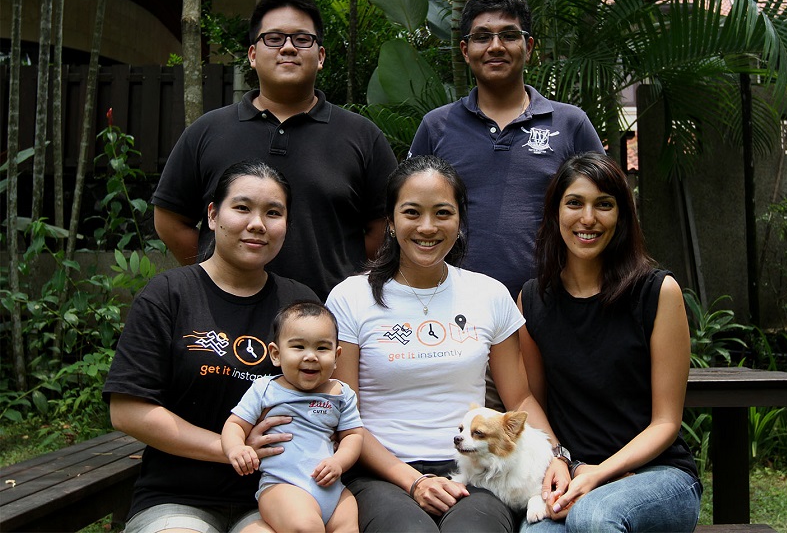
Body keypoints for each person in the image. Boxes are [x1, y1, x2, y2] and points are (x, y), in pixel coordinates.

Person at [325, 155, 569, 533]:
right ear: (390, 221)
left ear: (459, 220)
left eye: (442, 213)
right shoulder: (350, 298)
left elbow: (519, 399)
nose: (427, 227)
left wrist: (556, 455)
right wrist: (414, 481)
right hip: (381, 474)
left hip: (477, 471)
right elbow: (344, 413)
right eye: (411, 213)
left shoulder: (488, 294)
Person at [104, 161, 319, 533]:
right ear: (213, 214)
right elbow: (128, 411)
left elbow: (328, 394)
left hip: (274, 495)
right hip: (177, 497)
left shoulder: (299, 303)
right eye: (242, 207)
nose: (257, 224)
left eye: (273, 212)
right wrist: (232, 447)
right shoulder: (168, 295)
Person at [152, 0, 397, 300]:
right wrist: (218, 269)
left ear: (320, 56)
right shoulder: (208, 131)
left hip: (328, 321)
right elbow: (169, 220)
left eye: (302, 39)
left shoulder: (362, 136)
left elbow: (385, 226)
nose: (288, 48)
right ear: (253, 55)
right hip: (224, 316)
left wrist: (348, 280)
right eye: (274, 38)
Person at [518, 152, 702, 532]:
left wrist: (601, 474)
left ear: (621, 217)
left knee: (595, 517)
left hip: (659, 477)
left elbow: (666, 422)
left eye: (604, 205)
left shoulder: (657, 292)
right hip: (575, 474)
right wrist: (564, 461)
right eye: (575, 203)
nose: (588, 219)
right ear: (555, 212)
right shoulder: (533, 300)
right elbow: (532, 402)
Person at [409, 0, 604, 300]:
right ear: (464, 49)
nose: (495, 46)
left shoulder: (571, 124)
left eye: (509, 35)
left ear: (528, 47)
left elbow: (607, 212)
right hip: (452, 308)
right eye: (482, 36)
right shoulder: (436, 126)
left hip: (553, 306)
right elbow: (409, 217)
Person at [222, 301, 364, 533]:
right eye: (298, 347)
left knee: (348, 523)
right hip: (283, 486)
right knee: (305, 526)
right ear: (276, 354)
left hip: (333, 490)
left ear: (337, 355)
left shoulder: (341, 393)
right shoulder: (265, 389)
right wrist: (236, 448)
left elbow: (353, 435)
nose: (311, 356)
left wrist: (339, 462)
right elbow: (235, 424)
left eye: (322, 348)